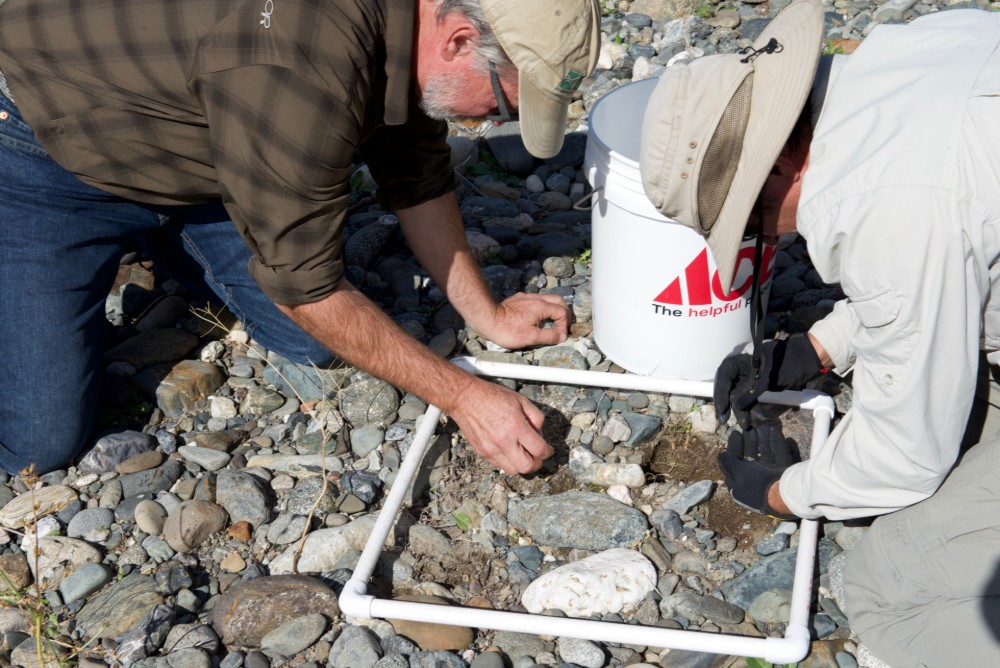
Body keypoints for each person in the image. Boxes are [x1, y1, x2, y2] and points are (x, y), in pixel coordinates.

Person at [0, 0, 601, 476]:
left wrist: (487, 313)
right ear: (459, 40)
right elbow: (307, 289)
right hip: (45, 149)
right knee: (40, 442)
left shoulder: (409, 19)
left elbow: (415, 166)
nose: (493, 124)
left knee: (310, 344)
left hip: (203, 141)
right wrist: (465, 399)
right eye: (501, 104)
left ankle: (160, 240)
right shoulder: (301, 68)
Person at [637, 0, 1000, 663]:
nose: (763, 238)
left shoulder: (892, 210)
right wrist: (820, 346)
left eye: (748, 222)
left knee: (889, 592)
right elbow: (952, 250)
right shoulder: (901, 57)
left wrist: (782, 492)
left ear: (777, 169)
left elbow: (906, 458)